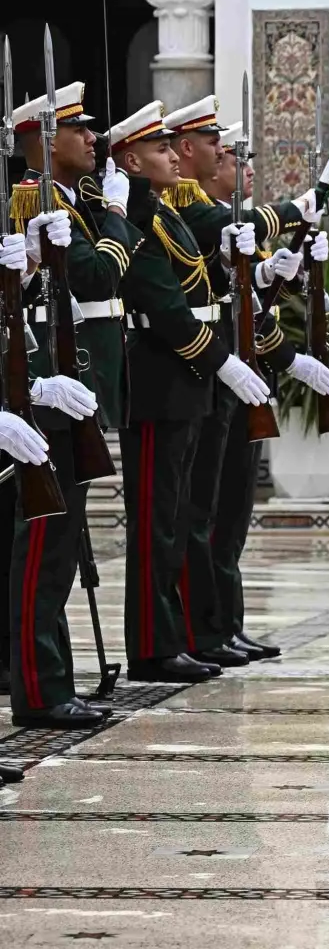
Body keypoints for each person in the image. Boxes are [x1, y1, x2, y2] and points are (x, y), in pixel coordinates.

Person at [109, 101, 273, 683]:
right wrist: (222, 362)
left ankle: (178, 637)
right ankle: (154, 647)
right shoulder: (135, 217)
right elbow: (165, 307)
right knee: (158, 520)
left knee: (180, 516)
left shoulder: (160, 212)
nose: (173, 156)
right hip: (160, 381)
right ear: (131, 159)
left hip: (186, 380)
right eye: (160, 150)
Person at [6, 83, 132, 728]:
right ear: (45, 141)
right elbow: (98, 276)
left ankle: (50, 678)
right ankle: (38, 685)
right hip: (43, 392)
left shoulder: (70, 203)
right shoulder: (32, 201)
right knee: (43, 545)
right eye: (79, 131)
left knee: (58, 548)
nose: (93, 140)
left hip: (68, 389)